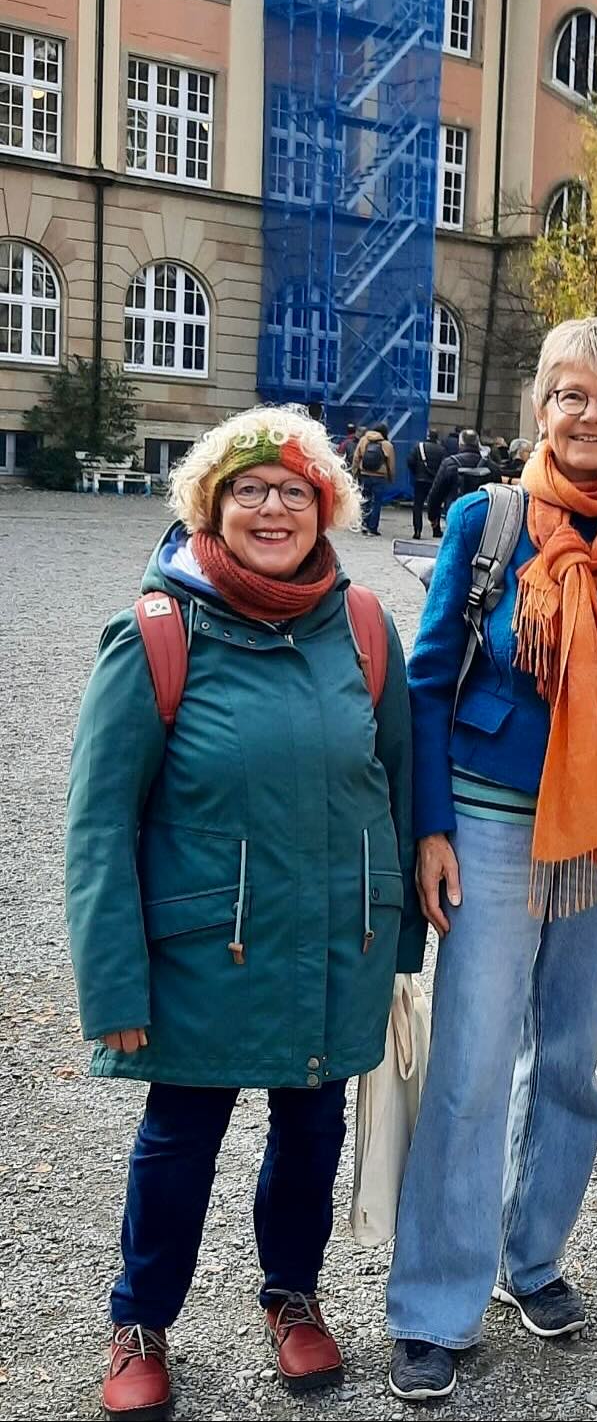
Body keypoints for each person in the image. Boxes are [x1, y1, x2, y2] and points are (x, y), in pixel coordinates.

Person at [65, 407, 425, 1422]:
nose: (273, 508)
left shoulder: (363, 627)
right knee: (181, 1134)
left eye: (295, 490)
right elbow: (98, 824)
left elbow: (399, 790)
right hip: (204, 949)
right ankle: (140, 1322)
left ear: (326, 505)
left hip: (335, 940)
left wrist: (397, 941)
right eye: (249, 489)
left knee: (311, 1126)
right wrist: (113, 984)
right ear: (210, 505)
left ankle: (292, 1296)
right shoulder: (155, 631)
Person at [385, 317, 597, 1404]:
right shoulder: (488, 520)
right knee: (473, 1060)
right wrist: (429, 828)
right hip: (487, 815)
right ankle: (435, 1302)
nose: (590, 414)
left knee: (567, 1055)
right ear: (540, 408)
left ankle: (532, 1257)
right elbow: (427, 680)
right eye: (571, 394)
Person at [425, 427, 494, 535]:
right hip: (483, 518)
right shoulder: (491, 466)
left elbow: (436, 493)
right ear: (478, 443)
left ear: (460, 443)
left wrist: (432, 516)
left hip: (456, 514)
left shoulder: (449, 463)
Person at [353, 422, 395, 535]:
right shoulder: (387, 445)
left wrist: (355, 472)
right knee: (377, 502)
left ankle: (363, 524)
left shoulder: (363, 440)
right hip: (380, 477)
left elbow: (356, 458)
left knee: (365, 500)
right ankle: (373, 528)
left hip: (365, 474)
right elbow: (391, 463)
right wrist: (391, 477)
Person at [407, 428, 446, 541]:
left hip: (420, 480)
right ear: (437, 438)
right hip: (435, 481)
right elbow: (445, 465)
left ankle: (417, 530)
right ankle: (436, 530)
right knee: (435, 505)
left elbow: (410, 461)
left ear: (427, 436)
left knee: (418, 506)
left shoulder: (418, 447)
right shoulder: (442, 450)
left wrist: (416, 472)